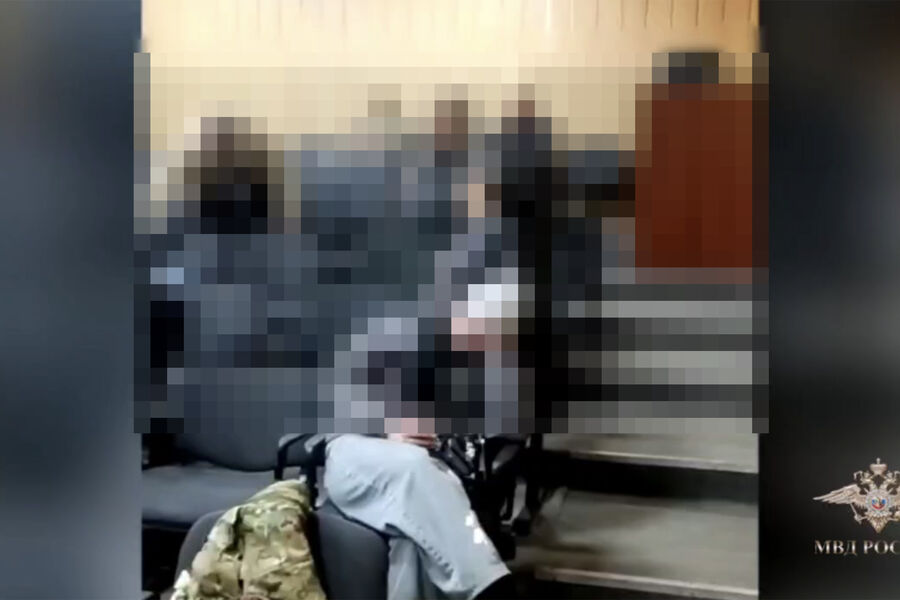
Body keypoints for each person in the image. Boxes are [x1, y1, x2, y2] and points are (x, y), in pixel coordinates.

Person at [301, 431, 516, 600]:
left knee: (416, 539)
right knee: (415, 467)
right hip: (353, 444)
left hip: (428, 457)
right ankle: (492, 586)